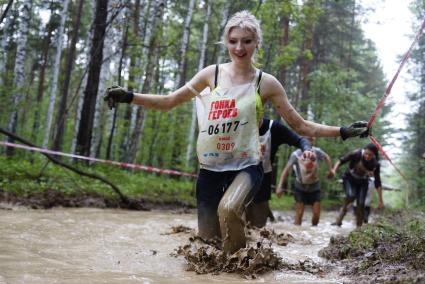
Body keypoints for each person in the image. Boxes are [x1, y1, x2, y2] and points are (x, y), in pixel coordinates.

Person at [104, 10, 368, 254]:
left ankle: (242, 269)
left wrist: (343, 131)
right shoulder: (211, 74)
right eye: (233, 41)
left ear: (256, 44)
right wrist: (129, 96)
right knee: (208, 243)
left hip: (246, 166)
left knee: (229, 209)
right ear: (226, 42)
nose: (239, 48)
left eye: (247, 41)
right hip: (209, 169)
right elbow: (169, 102)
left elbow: (301, 126)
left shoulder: (267, 83)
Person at [245, 118, 313, 228]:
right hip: (235, 181)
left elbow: (299, 140)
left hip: (262, 184)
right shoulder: (237, 125)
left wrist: (307, 149)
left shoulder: (274, 128)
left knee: (257, 229)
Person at [275, 137, 334, 226]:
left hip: (315, 186)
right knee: (299, 214)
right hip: (300, 187)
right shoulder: (296, 154)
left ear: (314, 141)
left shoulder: (317, 151)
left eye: (312, 139)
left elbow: (326, 157)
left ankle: (312, 234)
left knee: (316, 215)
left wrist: (331, 170)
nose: (309, 142)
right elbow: (286, 170)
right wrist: (280, 186)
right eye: (307, 139)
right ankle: (296, 235)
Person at [330, 143, 384, 227]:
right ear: (363, 151)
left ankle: (359, 227)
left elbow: (378, 182)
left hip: (363, 182)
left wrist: (380, 200)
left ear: (374, 155)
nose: (367, 156)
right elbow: (341, 161)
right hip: (349, 179)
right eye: (366, 153)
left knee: (361, 204)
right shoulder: (356, 154)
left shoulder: (375, 164)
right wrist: (334, 170)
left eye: (370, 155)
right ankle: (338, 220)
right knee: (351, 196)